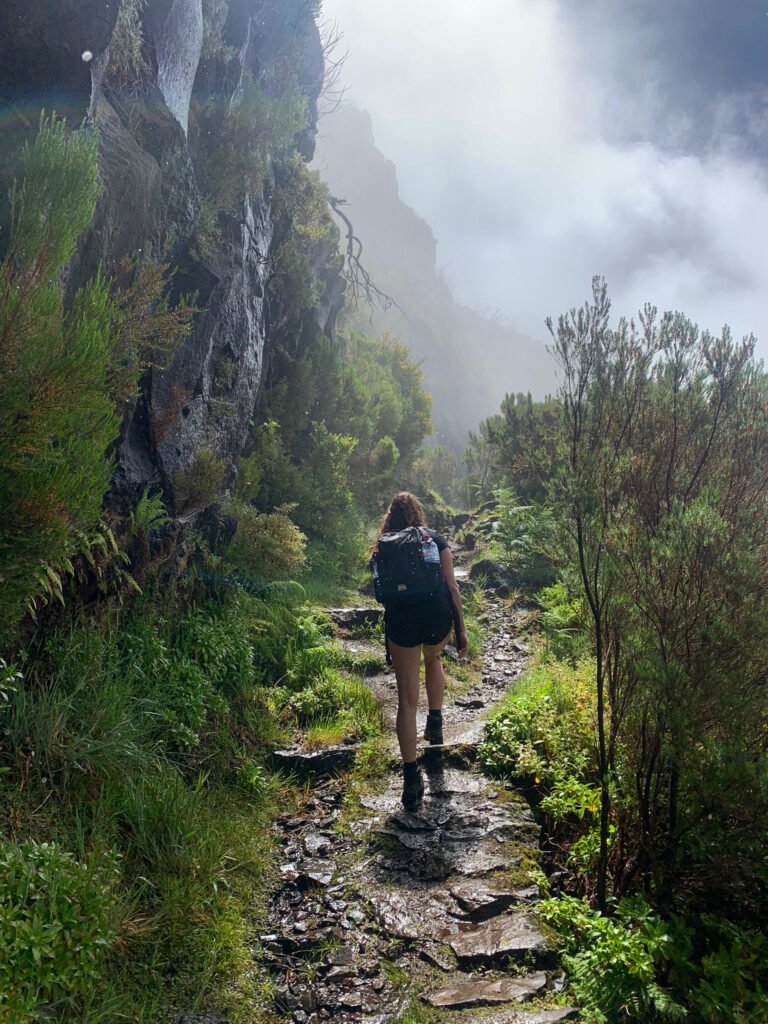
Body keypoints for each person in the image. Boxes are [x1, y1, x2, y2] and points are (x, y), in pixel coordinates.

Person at [373, 491, 468, 811]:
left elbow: (383, 596)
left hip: (402, 622)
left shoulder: (384, 545)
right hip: (436, 617)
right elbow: (452, 587)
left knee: (406, 700)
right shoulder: (436, 538)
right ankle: (437, 721)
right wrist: (462, 630)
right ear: (418, 513)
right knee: (434, 657)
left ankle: (411, 778)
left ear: (391, 517)